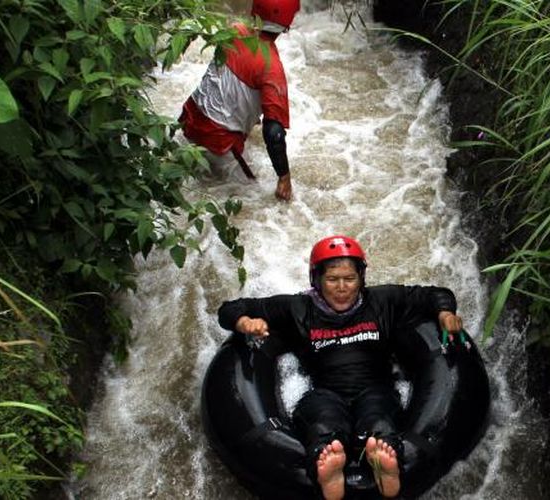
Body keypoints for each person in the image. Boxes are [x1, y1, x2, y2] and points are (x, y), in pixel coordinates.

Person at [217, 235, 465, 499]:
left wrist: (445, 313)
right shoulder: (297, 308)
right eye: (332, 280)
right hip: (326, 392)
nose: (342, 287)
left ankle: (383, 461)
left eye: (350, 279)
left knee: (378, 419)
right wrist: (244, 322)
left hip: (375, 388)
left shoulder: (383, 300)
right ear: (317, 280)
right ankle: (328, 469)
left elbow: (435, 294)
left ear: (361, 278)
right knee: (323, 422)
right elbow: (230, 308)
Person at [179, 0, 300, 201]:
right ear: (287, 24)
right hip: (219, 144)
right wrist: (284, 178)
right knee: (254, 197)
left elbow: (227, 83)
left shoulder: (233, 31)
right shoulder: (272, 69)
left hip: (187, 122)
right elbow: (274, 133)